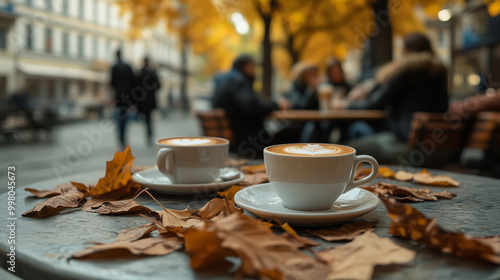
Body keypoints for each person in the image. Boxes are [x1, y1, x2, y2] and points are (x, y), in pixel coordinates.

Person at [334, 32, 449, 164]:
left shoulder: (407, 69)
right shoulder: (439, 72)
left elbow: (375, 103)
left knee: (346, 148)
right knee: (360, 129)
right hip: (438, 149)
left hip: (409, 144)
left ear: (407, 51)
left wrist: (346, 106)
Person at [212, 54, 289, 157]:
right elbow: (252, 106)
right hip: (249, 140)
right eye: (253, 67)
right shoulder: (239, 81)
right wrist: (276, 105)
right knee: (291, 134)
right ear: (248, 66)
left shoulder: (223, 80)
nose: (255, 71)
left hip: (236, 136)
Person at [110, 49, 135, 149]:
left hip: (118, 95)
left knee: (119, 117)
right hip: (127, 96)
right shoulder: (128, 66)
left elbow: (112, 83)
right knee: (125, 117)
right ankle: (124, 138)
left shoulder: (115, 67)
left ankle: (121, 138)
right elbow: (132, 82)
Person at [135, 57, 161, 146]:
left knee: (146, 118)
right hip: (150, 100)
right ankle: (150, 134)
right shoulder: (152, 72)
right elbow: (158, 86)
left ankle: (148, 134)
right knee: (149, 118)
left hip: (142, 100)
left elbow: (136, 87)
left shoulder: (140, 73)